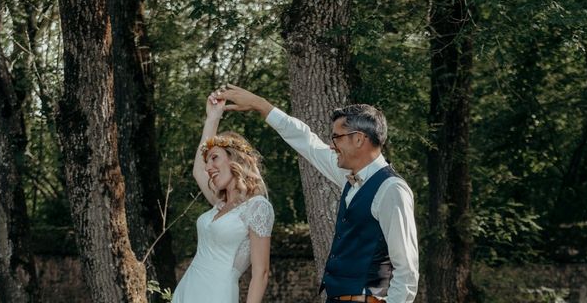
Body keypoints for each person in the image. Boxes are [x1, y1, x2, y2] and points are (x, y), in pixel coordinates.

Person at [218, 84, 419, 303]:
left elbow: (407, 271)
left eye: (336, 137)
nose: (332, 146)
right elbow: (306, 141)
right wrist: (261, 106)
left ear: (359, 139)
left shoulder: (391, 189)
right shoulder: (348, 176)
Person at [171, 91, 274, 303]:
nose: (208, 168)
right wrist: (213, 117)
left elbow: (261, 274)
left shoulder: (257, 207)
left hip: (217, 294)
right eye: (207, 162)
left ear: (234, 160)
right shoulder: (219, 204)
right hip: (187, 290)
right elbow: (198, 171)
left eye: (214, 158)